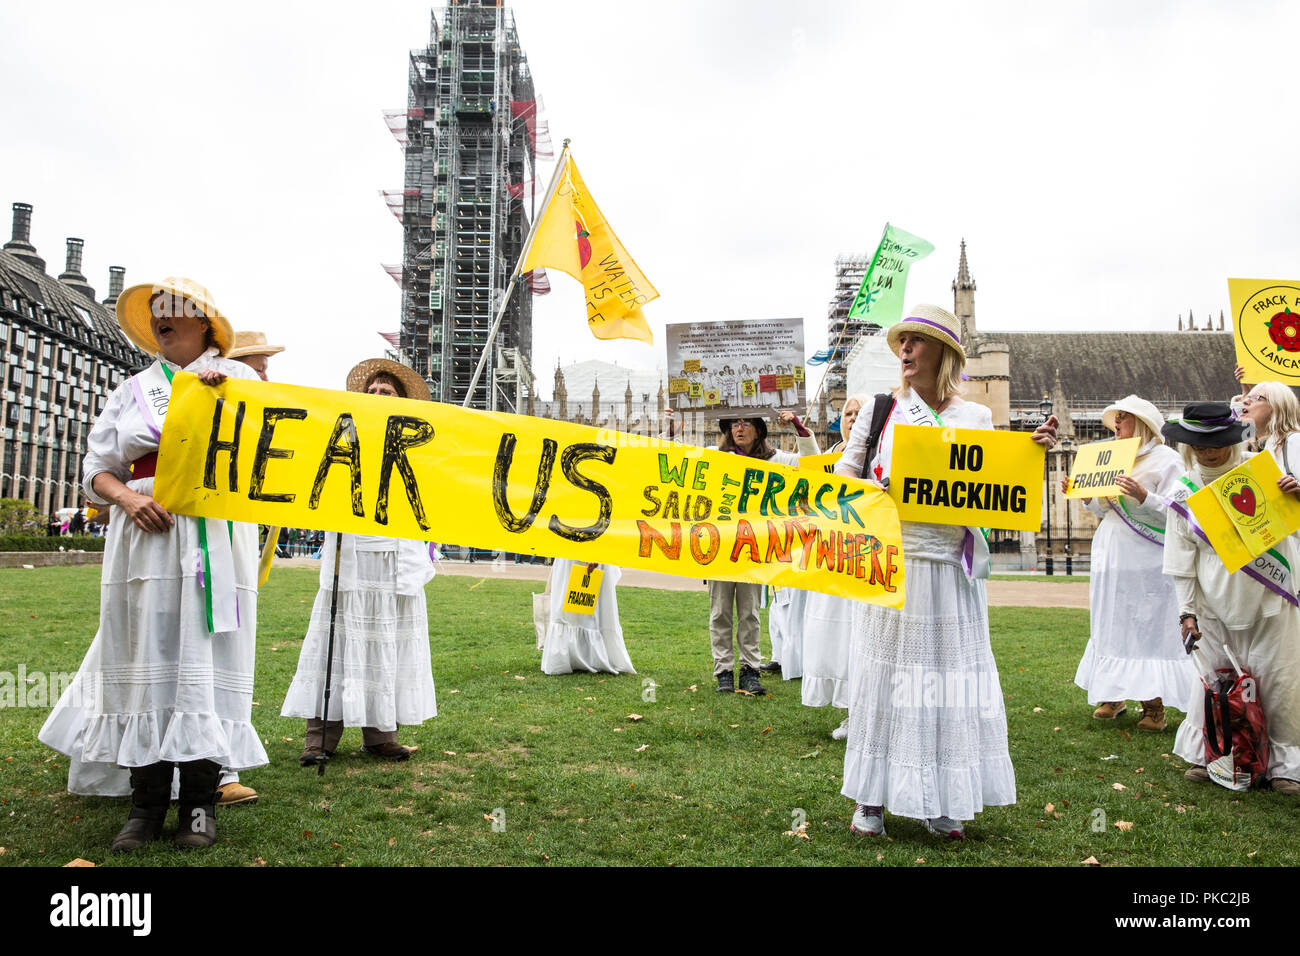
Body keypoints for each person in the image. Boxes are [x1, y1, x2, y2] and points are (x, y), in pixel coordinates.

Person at [39, 277, 266, 851]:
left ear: (205, 324)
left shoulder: (240, 380)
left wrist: (222, 399)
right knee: (146, 653)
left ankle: (198, 803)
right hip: (144, 535)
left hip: (213, 533)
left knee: (204, 658)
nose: (163, 318)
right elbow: (97, 468)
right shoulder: (132, 389)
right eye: (155, 312)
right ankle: (145, 806)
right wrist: (129, 498)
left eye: (175, 309)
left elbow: (269, 455)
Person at [835, 304, 1057, 840]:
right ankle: (871, 800)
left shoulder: (976, 417)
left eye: (916, 342)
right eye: (901, 343)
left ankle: (939, 798)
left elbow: (994, 486)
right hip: (897, 563)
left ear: (945, 353)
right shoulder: (882, 408)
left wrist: (1030, 456)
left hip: (952, 568)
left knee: (946, 684)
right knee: (887, 678)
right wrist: (875, 491)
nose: (905, 351)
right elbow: (844, 478)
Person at [281, 358, 437, 765]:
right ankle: (320, 738)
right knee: (337, 640)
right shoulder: (341, 435)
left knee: (385, 644)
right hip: (350, 553)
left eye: (386, 392)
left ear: (400, 400)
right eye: (372, 392)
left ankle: (380, 733)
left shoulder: (418, 443)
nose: (378, 396)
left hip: (394, 556)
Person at [1162, 402, 1300, 794]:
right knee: (1212, 682)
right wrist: (1186, 612)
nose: (1211, 450)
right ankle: (1215, 755)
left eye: (1218, 441)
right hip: (1212, 602)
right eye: (1202, 443)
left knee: (1281, 680)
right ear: (1189, 445)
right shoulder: (1182, 492)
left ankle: (1285, 766)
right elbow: (1180, 561)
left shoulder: (1264, 474)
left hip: (1270, 595)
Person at [1072, 395, 1193, 730]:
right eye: (1116, 419)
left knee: (1148, 622)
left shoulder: (1166, 459)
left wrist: (1144, 496)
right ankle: (1113, 694)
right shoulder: (1107, 456)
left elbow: (1181, 511)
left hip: (1149, 555)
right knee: (1113, 619)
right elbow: (1102, 508)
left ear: (1142, 423)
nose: (1118, 424)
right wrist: (1087, 498)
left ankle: (1153, 705)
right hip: (1112, 550)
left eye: (1124, 418)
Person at [704, 409, 819, 695]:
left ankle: (750, 669)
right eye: (734, 423)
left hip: (754, 549)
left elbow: (813, 464)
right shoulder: (716, 458)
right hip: (721, 546)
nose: (739, 428)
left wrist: (798, 428)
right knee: (719, 612)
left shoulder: (777, 460)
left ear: (758, 428)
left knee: (750, 613)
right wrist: (669, 429)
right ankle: (723, 671)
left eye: (745, 422)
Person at [801, 393, 868, 737]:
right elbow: (810, 474)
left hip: (866, 562)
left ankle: (865, 713)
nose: (853, 418)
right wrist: (801, 432)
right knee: (838, 640)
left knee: (863, 639)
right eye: (848, 412)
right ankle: (849, 713)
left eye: (860, 412)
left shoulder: (878, 457)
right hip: (833, 561)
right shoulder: (831, 457)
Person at [539, 559, 635, 675]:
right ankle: (578, 656)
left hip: (590, 550)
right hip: (570, 553)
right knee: (566, 607)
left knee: (590, 608)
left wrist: (592, 555)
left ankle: (581, 656)